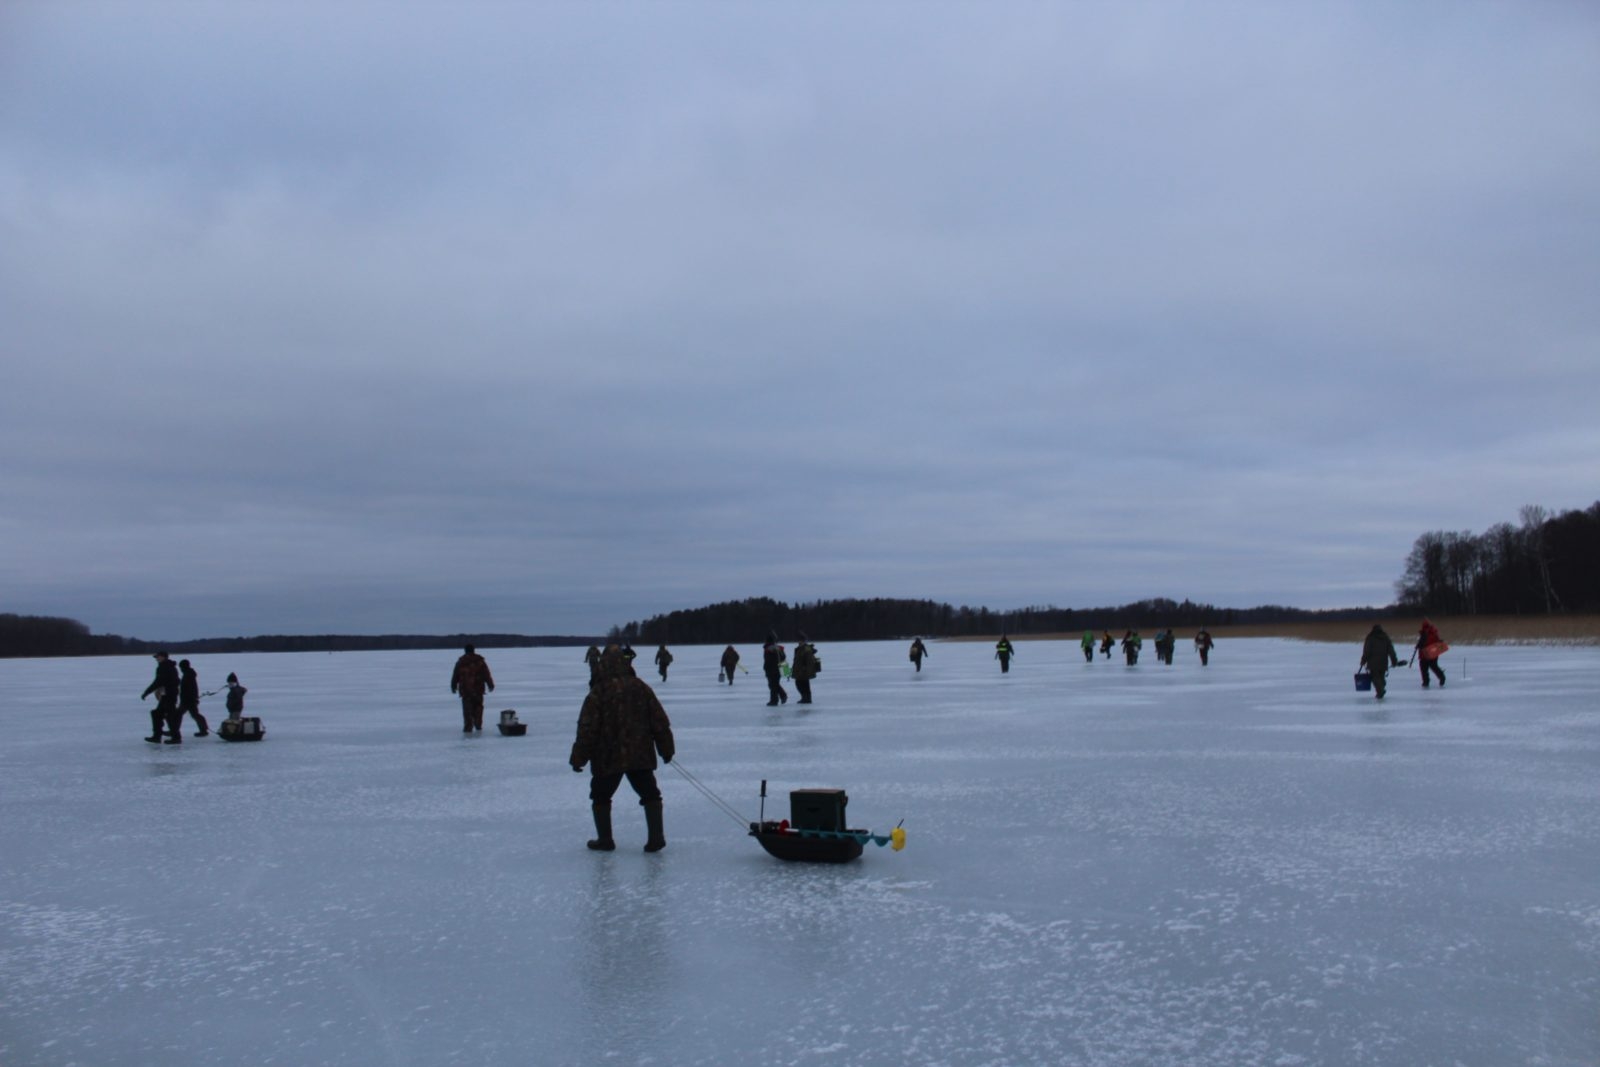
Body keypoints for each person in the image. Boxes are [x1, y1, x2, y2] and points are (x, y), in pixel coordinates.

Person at [570, 645, 675, 853]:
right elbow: (659, 722)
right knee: (650, 793)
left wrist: (578, 758)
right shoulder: (641, 687)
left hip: (608, 757)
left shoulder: (599, 692)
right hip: (640, 755)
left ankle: (605, 840)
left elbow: (587, 729)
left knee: (600, 796)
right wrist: (666, 748)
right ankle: (656, 838)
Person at [449, 644, 495, 733]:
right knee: (478, 708)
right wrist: (490, 684)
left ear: (465, 650)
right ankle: (478, 725)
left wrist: (453, 686)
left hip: (466, 690)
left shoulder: (461, 662)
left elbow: (455, 675)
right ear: (474, 650)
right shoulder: (480, 661)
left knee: (467, 710)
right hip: (478, 689)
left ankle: (468, 727)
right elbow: (486, 674)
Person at [140, 650, 181, 744]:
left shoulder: (165, 667)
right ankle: (157, 736)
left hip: (169, 695)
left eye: (157, 657)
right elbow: (176, 680)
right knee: (157, 714)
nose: (156, 659)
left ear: (163, 657)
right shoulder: (169, 666)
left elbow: (158, 681)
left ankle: (176, 737)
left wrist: (147, 692)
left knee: (169, 716)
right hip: (167, 694)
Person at [1360, 623, 1403, 700]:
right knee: (1381, 677)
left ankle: (1380, 691)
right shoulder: (1385, 637)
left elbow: (1367, 651)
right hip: (1383, 662)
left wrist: (1363, 660)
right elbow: (1391, 650)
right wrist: (1394, 660)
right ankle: (1381, 689)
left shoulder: (1370, 638)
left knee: (1374, 677)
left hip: (1373, 663)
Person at [178, 659, 210, 737]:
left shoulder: (188, 675)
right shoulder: (188, 674)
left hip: (188, 700)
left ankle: (173, 730)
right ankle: (204, 729)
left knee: (178, 714)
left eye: (181, 667)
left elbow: (190, 688)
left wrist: (191, 698)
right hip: (189, 699)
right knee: (194, 714)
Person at [1415, 619, 1447, 688]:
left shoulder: (1429, 634)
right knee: (1431, 667)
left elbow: (1427, 643)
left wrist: (1420, 645)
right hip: (1430, 654)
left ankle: (1427, 681)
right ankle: (1438, 678)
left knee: (1426, 668)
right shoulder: (1431, 633)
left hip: (1428, 654)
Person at [791, 633, 820, 704]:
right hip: (799, 670)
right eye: (799, 640)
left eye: (801, 640)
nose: (799, 642)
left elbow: (809, 660)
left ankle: (806, 698)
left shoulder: (806, 649)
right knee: (802, 684)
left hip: (803, 671)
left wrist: (805, 669)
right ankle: (805, 698)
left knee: (802, 684)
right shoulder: (799, 648)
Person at [762, 632, 788, 706]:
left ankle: (774, 700)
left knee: (773, 685)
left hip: (773, 670)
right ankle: (782, 696)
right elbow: (783, 657)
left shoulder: (770, 649)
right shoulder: (777, 648)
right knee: (774, 684)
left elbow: (770, 660)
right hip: (775, 669)